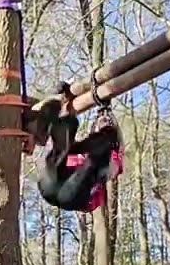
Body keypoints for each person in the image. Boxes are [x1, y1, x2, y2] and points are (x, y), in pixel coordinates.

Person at [32, 83, 123, 212]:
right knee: (75, 152)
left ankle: (63, 107)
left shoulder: (90, 153)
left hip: (62, 192)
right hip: (58, 191)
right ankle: (64, 106)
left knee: (70, 152)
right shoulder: (100, 154)